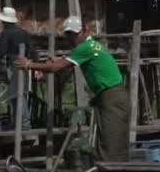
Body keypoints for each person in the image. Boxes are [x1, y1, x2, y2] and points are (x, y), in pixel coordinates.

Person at [15, 16, 128, 162]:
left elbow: (57, 67)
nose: (72, 38)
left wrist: (29, 64)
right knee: (108, 140)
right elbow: (63, 63)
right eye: (69, 35)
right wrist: (55, 62)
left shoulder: (85, 48)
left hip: (112, 97)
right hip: (110, 96)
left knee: (111, 143)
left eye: (75, 35)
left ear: (84, 32)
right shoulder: (91, 45)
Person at [0, 7, 31, 130]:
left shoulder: (6, 33)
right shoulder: (24, 33)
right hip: (25, 63)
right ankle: (21, 122)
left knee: (14, 94)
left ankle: (23, 123)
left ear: (4, 21)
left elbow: (2, 51)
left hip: (13, 63)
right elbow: (32, 50)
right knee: (21, 93)